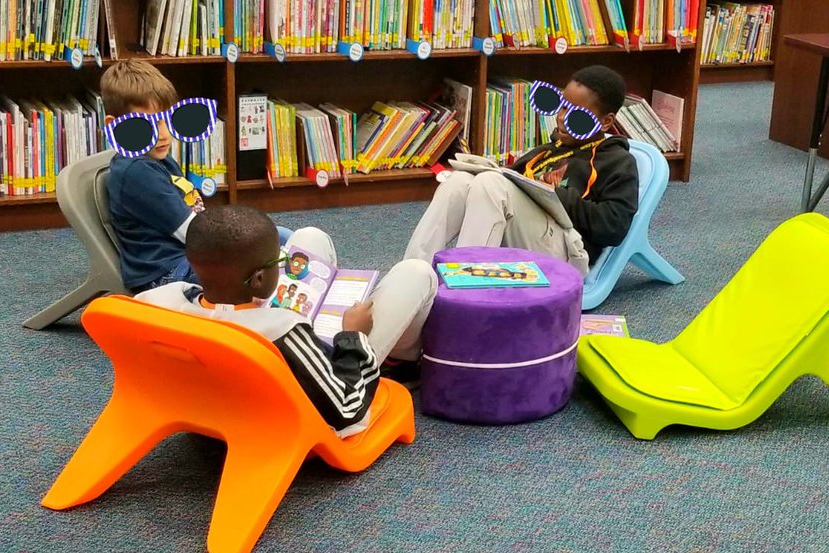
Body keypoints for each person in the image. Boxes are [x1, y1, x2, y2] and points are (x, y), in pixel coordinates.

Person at [136, 205, 437, 437]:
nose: (285, 266)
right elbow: (346, 410)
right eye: (278, 262)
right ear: (258, 279)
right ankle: (400, 364)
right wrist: (353, 336)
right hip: (289, 416)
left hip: (210, 404)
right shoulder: (283, 331)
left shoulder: (162, 301)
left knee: (310, 237)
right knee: (416, 273)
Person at [404, 65, 640, 275]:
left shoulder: (617, 161)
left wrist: (554, 195)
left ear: (606, 122)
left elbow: (614, 227)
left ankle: (468, 288)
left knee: (491, 184)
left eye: (576, 115)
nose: (561, 119)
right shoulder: (550, 149)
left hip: (567, 252)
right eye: (561, 107)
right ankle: (413, 274)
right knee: (459, 182)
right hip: (528, 233)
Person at [101, 59, 295, 293]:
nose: (163, 135)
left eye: (165, 120)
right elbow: (192, 232)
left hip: (186, 254)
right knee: (253, 266)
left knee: (276, 235)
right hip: (166, 272)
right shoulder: (137, 172)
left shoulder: (156, 158)